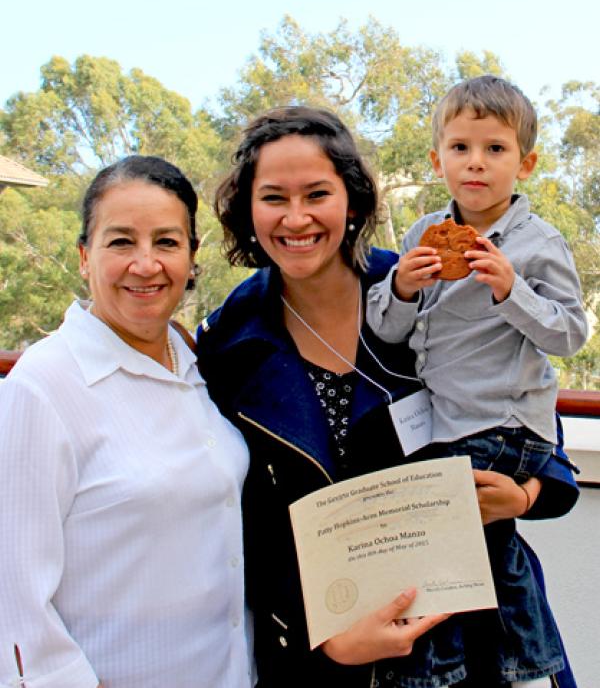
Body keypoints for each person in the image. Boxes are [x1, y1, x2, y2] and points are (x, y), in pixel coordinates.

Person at [196, 105, 580, 688]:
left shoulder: (428, 281)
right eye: (274, 197)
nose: (296, 218)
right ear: (248, 209)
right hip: (328, 657)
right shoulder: (229, 341)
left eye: (317, 193)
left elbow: (527, 405)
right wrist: (322, 638)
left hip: (473, 639)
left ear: (351, 200)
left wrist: (527, 494)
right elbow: (238, 525)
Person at [366, 76, 588, 686]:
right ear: (437, 159)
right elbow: (385, 329)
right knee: (460, 549)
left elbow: (570, 334)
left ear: (527, 162)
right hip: (443, 424)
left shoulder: (540, 245)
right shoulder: (418, 237)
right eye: (461, 148)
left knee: (453, 543)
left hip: (505, 425)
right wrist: (405, 286)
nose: (476, 164)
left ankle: (510, 666)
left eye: (495, 149)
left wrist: (511, 290)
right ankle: (487, 663)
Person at [0, 156, 254, 687]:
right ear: (83, 256)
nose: (146, 264)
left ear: (190, 257)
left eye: (166, 242)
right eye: (120, 242)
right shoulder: (42, 389)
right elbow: (14, 598)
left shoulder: (198, 363)